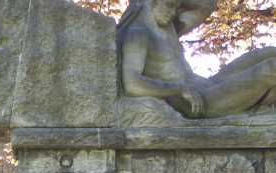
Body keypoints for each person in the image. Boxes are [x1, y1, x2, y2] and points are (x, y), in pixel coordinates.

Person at [118, 0, 276, 118]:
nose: (173, 12)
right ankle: (257, 109)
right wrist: (178, 89)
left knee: (270, 52)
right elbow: (132, 84)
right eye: (169, 5)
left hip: (209, 85)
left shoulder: (168, 27)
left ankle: (259, 107)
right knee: (272, 68)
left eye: (176, 6)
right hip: (200, 102)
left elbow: (207, 4)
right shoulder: (138, 34)